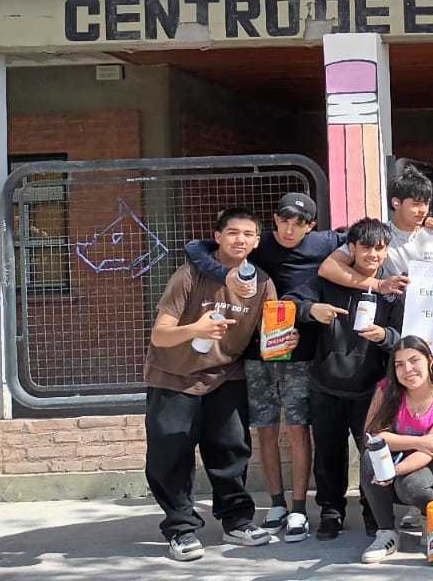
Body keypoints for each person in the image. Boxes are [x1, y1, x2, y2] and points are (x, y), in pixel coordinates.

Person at [321, 165, 433, 521]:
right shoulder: (379, 238)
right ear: (396, 202)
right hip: (402, 346)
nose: (423, 210)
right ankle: (411, 493)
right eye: (416, 203)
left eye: (427, 203)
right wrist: (379, 285)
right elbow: (330, 268)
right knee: (403, 417)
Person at [180, 192, 340, 542]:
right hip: (255, 352)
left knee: (298, 428)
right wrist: (223, 274)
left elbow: (366, 238)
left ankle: (299, 508)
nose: (289, 228)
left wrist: (422, 226)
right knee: (265, 428)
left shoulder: (325, 242)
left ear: (311, 226)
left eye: (298, 223)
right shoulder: (256, 241)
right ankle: (277, 503)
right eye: (284, 220)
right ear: (274, 219)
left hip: (299, 352)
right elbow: (196, 247)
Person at [144, 208, 276, 562]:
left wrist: (282, 338)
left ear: (257, 241)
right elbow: (160, 335)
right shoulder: (188, 276)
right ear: (217, 236)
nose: (240, 240)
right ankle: (181, 527)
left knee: (231, 449)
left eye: (248, 234)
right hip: (174, 376)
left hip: (225, 374)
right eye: (233, 233)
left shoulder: (262, 282)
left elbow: (270, 331)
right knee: (170, 453)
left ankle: (237, 520)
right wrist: (195, 330)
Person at [288, 218, 407, 541]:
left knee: (373, 452)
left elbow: (407, 340)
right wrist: (312, 311)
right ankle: (331, 512)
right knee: (328, 453)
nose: (373, 254)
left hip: (372, 389)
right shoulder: (328, 279)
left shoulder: (393, 288)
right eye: (366, 247)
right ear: (350, 248)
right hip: (325, 385)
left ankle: (375, 513)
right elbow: (290, 303)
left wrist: (385, 335)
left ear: (387, 250)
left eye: (380, 248)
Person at [358, 337, 433, 563]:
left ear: (430, 361)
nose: (407, 369)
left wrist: (394, 471)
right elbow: (373, 438)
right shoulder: (387, 390)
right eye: (399, 364)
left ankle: (432, 516)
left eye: (414, 360)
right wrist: (417, 442)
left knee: (412, 485)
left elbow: (431, 449)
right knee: (370, 458)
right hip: (403, 459)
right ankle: (386, 532)